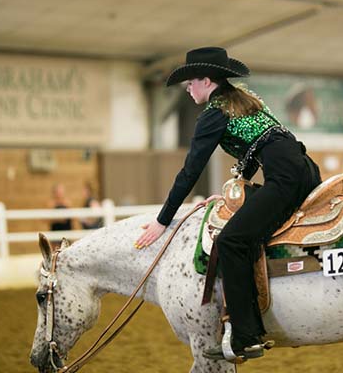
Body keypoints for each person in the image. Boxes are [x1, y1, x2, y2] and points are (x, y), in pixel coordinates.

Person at [135, 47, 321, 361]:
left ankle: (246, 336)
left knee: (232, 241)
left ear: (206, 81)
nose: (188, 88)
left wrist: (162, 220)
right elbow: (259, 147)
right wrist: (235, 189)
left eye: (191, 82)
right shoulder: (244, 100)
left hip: (284, 176)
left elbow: (190, 170)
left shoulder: (214, 114)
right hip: (302, 170)